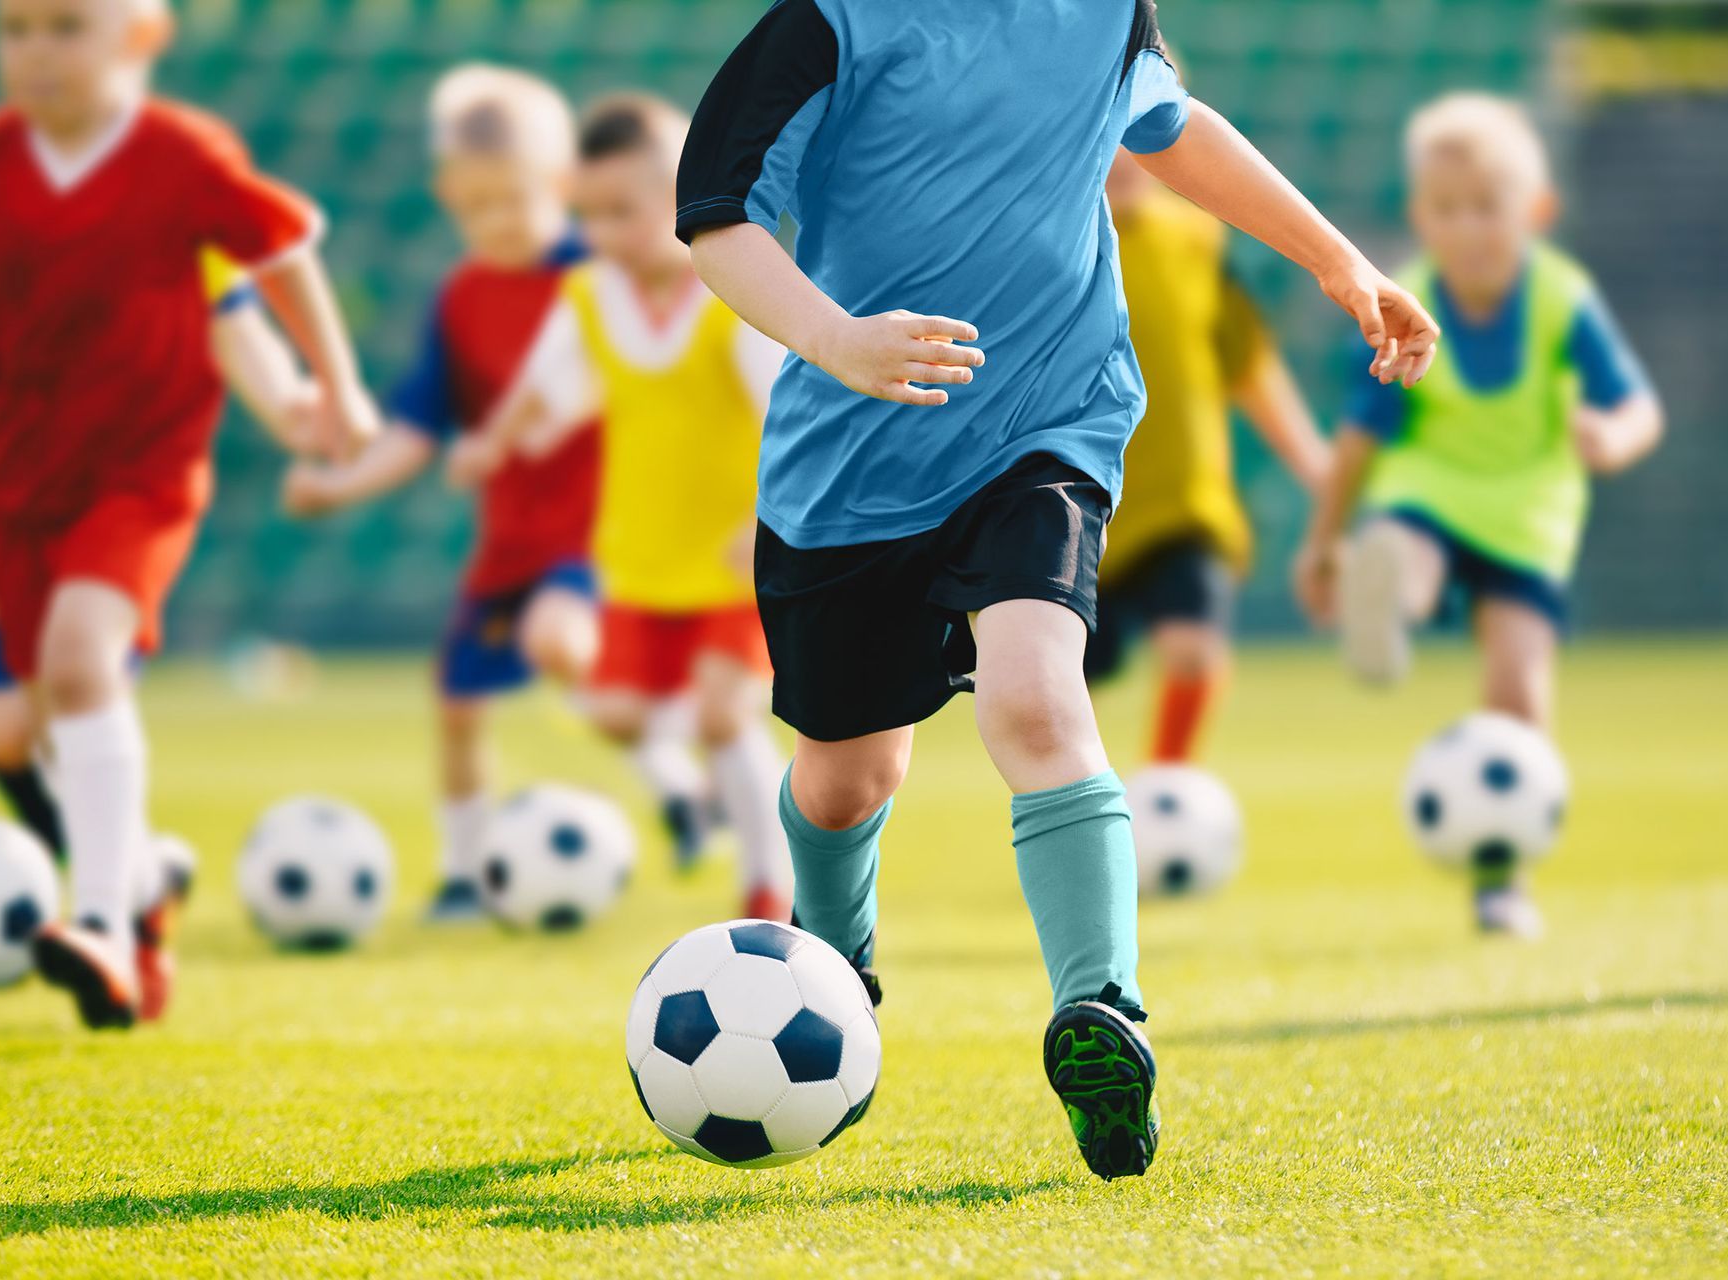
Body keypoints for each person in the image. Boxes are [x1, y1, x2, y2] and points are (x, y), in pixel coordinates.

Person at [676, 0, 1439, 1179]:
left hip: (1048, 423)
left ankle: (1105, 1011)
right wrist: (837, 341)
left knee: (1035, 698)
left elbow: (1173, 130)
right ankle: (832, 965)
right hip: (851, 460)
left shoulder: (1104, 11)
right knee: (845, 777)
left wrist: (1343, 263)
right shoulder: (825, 25)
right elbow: (715, 220)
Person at [0, 0, 378, 1029]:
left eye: (65, 26)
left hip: (141, 473)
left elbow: (269, 263)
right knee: (39, 723)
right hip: (17, 488)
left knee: (79, 664)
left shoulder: (180, 157)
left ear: (142, 34)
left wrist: (331, 388)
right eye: (15, 27)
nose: (35, 52)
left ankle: (106, 924)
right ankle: (143, 886)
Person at [1292, 93, 1663, 939]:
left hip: (1531, 516)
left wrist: (1612, 436)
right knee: (1405, 551)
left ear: (1536, 212)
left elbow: (1641, 408)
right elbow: (1357, 439)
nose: (1467, 230)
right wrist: (1325, 543)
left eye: (1486, 209)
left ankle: (1502, 875)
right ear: (1421, 218)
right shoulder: (1402, 303)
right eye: (1446, 211)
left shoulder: (1565, 303)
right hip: (1430, 492)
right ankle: (1388, 600)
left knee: (1519, 688)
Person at [281, 64, 636, 923]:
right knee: (459, 701)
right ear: (448, 197)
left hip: (608, 533)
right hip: (510, 540)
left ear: (561, 185)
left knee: (565, 646)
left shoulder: (606, 278)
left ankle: (681, 784)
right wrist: (341, 485)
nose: (495, 223)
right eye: (474, 207)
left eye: (512, 200)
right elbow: (415, 428)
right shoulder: (463, 297)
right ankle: (462, 872)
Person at [462, 94, 794, 925]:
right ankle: (696, 797)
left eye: (625, 211)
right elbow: (546, 394)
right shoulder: (588, 298)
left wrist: (764, 519)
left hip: (732, 556)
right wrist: (495, 440)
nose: (606, 232)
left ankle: (770, 884)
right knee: (613, 714)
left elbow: (788, 418)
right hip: (640, 557)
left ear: (682, 198)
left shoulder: (736, 294)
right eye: (591, 215)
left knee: (724, 713)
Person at [0, 247, 320, 869]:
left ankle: (115, 893)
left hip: (111, 488)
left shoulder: (170, 180)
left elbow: (237, 311)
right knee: (10, 733)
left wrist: (287, 399)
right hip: (15, 494)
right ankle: (120, 875)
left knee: (69, 681)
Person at [1087, 149, 1330, 763]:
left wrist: (1316, 465)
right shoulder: (1048, 242)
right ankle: (1075, 798)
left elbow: (1248, 364)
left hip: (1182, 505)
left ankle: (1168, 785)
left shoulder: (1198, 241)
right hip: (1079, 506)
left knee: (1193, 647)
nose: (1122, 154)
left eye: (1140, 131)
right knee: (1058, 678)